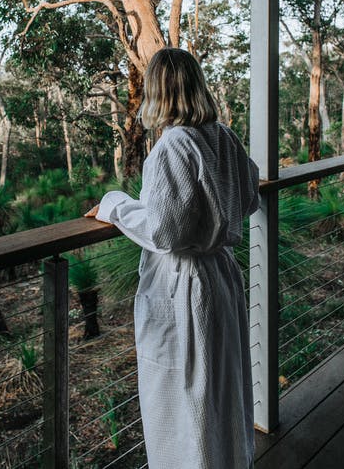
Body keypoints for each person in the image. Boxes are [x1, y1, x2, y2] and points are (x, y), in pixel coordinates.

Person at [88, 47, 259, 469]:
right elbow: (251, 195)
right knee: (222, 390)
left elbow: (165, 230)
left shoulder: (173, 145)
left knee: (186, 397)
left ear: (157, 90)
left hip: (185, 287)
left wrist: (114, 206)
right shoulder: (222, 134)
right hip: (220, 275)